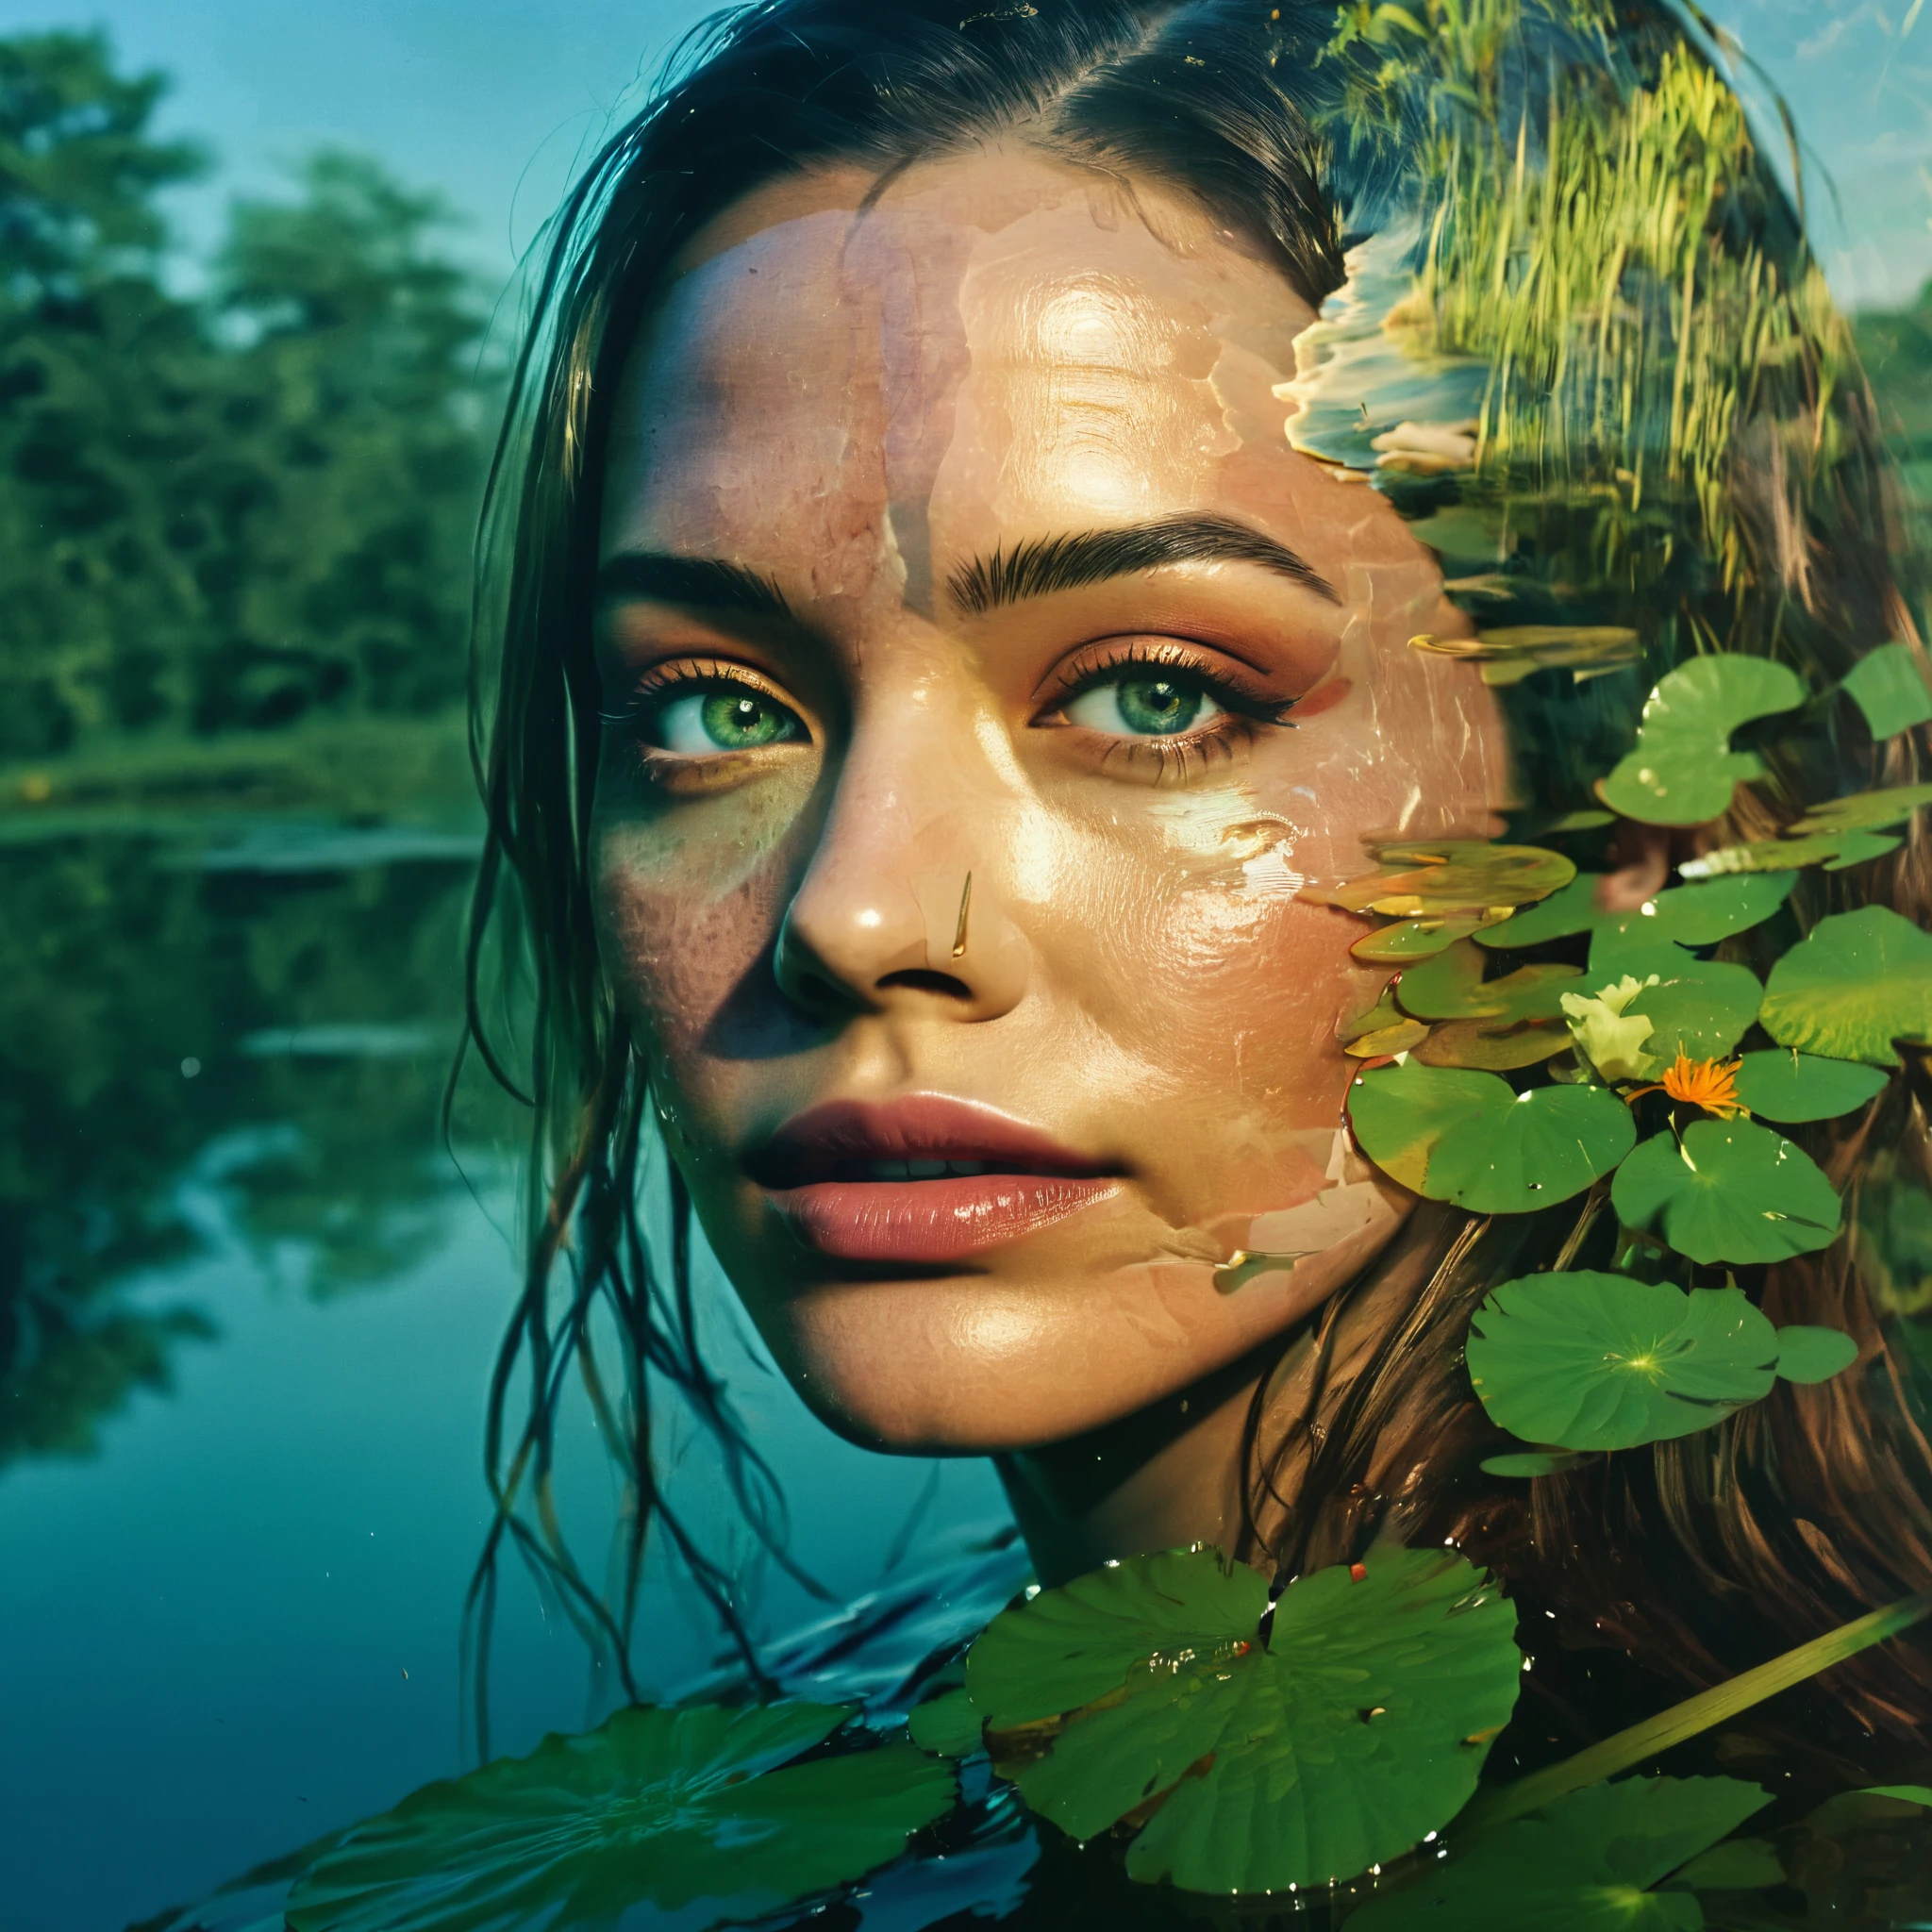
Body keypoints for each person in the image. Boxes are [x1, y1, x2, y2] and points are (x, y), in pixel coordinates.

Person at [463, 0, 1932, 1792]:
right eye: (712, 712)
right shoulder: (862, 1758)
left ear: (1627, 836)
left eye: (1157, 693)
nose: (851, 916)